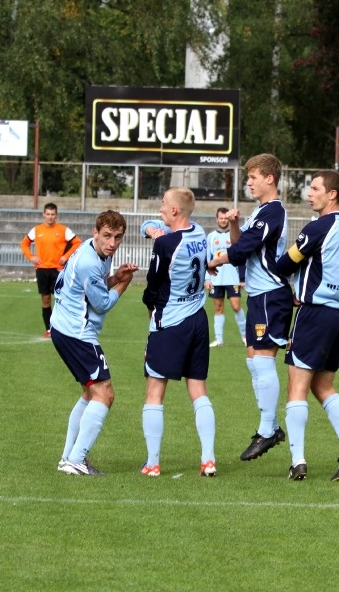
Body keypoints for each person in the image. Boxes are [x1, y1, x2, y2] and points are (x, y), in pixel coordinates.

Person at [275, 170, 339, 481]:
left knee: (296, 388)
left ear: (332, 195)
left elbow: (285, 264)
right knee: (323, 385)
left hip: (314, 314)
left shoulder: (320, 226)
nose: (309, 193)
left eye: (315, 188)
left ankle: (298, 461)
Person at [207, 153, 293, 461]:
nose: (249, 183)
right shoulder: (261, 212)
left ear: (270, 178)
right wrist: (234, 226)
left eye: (253, 177)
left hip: (272, 294)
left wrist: (217, 258)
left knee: (263, 359)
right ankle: (270, 427)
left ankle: (268, 431)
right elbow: (243, 243)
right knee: (253, 358)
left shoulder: (273, 211)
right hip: (259, 295)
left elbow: (243, 251)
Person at [51, 210, 138, 475]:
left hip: (63, 328)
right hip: (77, 333)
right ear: (95, 233)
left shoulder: (92, 251)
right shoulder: (90, 260)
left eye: (118, 237)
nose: (112, 243)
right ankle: (76, 460)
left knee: (90, 394)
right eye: (107, 236)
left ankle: (69, 457)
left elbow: (92, 288)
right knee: (105, 394)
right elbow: (102, 303)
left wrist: (115, 277)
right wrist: (124, 284)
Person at [140, 188, 217, 477]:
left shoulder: (167, 245)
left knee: (154, 391)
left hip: (170, 321)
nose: (160, 208)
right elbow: (156, 227)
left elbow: (153, 286)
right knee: (198, 390)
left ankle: (152, 463)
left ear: (174, 211)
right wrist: (150, 228)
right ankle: (208, 459)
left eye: (163, 204)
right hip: (197, 319)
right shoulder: (200, 232)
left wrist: (151, 315)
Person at [20, 203, 82, 338]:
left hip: (58, 270)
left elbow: (78, 243)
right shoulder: (36, 230)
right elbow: (24, 243)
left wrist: (66, 257)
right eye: (48, 214)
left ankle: (66, 328)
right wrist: (31, 257)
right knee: (46, 299)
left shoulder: (63, 230)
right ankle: (49, 329)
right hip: (42, 269)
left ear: (56, 215)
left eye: (52, 214)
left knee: (63, 299)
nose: (50, 217)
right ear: (43, 214)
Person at [206, 207, 247, 347]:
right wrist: (207, 279)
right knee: (218, 307)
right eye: (221, 218)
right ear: (217, 219)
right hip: (216, 278)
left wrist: (242, 278)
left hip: (233, 278)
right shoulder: (211, 237)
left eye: (225, 218)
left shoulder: (235, 235)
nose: (223, 220)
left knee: (236, 306)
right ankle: (219, 339)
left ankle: (245, 335)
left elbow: (242, 255)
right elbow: (207, 259)